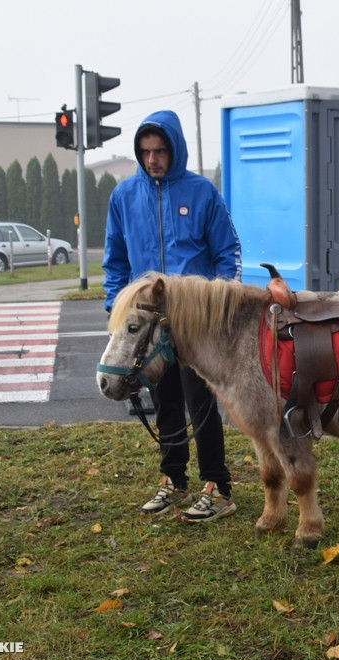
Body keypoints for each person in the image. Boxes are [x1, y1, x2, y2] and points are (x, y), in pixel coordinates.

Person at [104, 110, 242, 523]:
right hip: (149, 323)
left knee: (201, 403)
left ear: (174, 149)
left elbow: (227, 253)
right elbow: (115, 260)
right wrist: (116, 305)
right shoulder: (124, 196)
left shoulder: (202, 193)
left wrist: (217, 308)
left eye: (160, 150)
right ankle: (173, 479)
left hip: (195, 323)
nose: (152, 159)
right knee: (163, 398)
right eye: (145, 152)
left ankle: (218, 486)